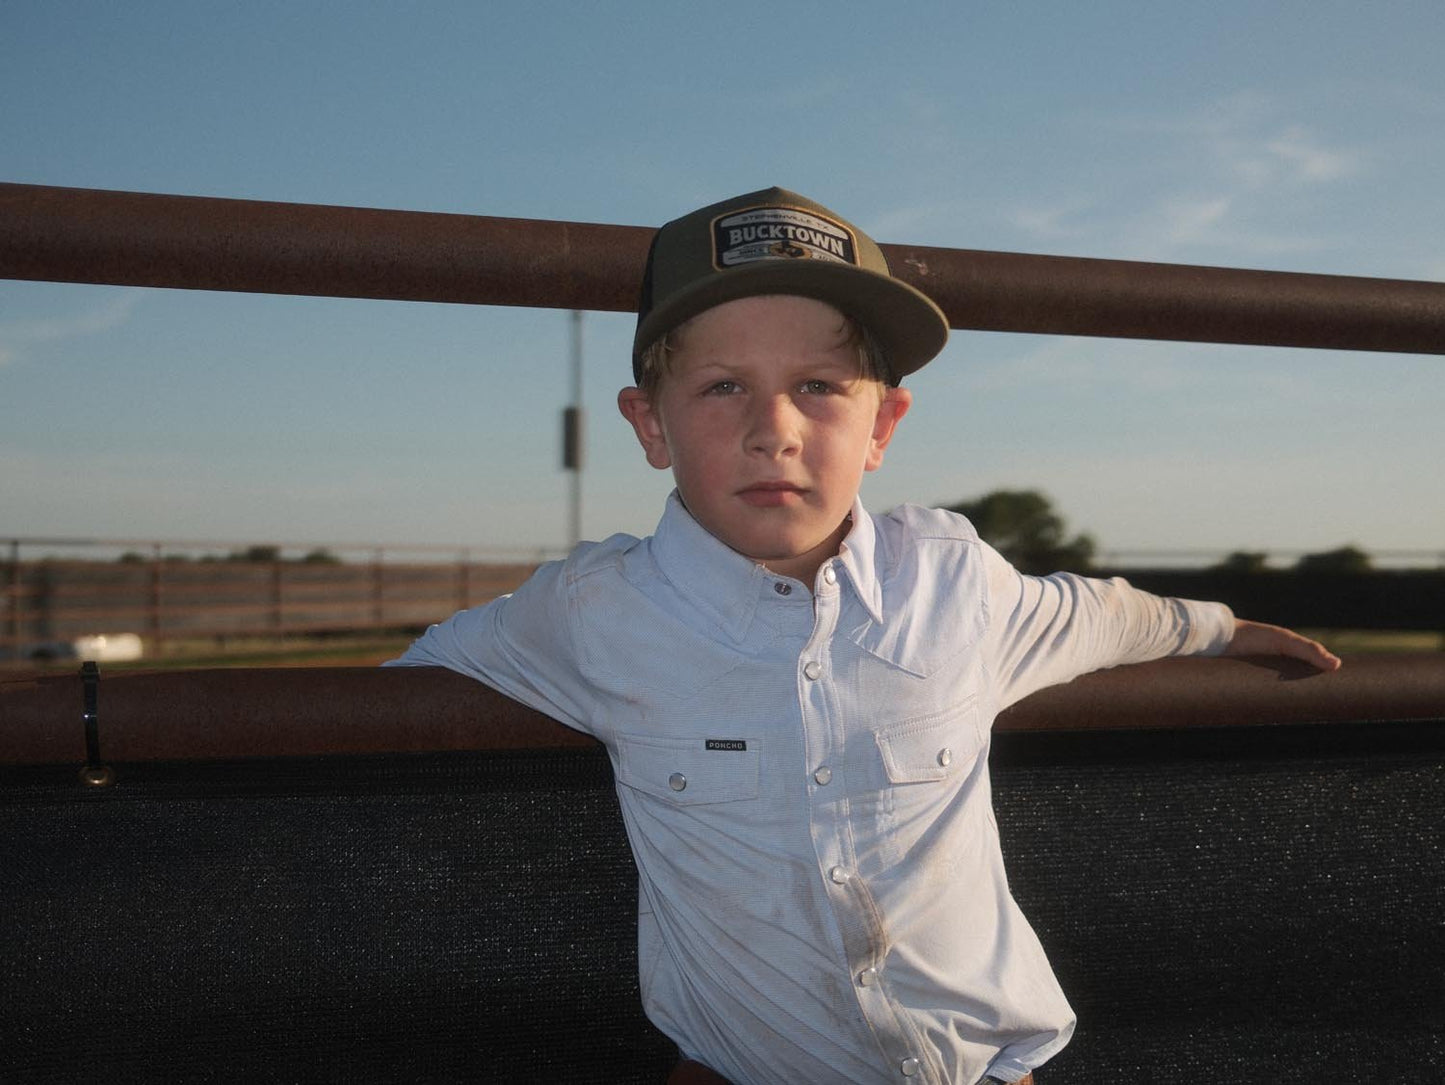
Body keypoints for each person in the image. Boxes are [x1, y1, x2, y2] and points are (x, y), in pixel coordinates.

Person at [387, 187, 1340, 1084]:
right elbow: (416, 674)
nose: (774, 430)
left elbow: (1103, 613)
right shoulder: (595, 611)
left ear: (882, 424)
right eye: (721, 387)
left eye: (817, 385)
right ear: (651, 425)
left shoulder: (954, 581)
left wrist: (1224, 628)